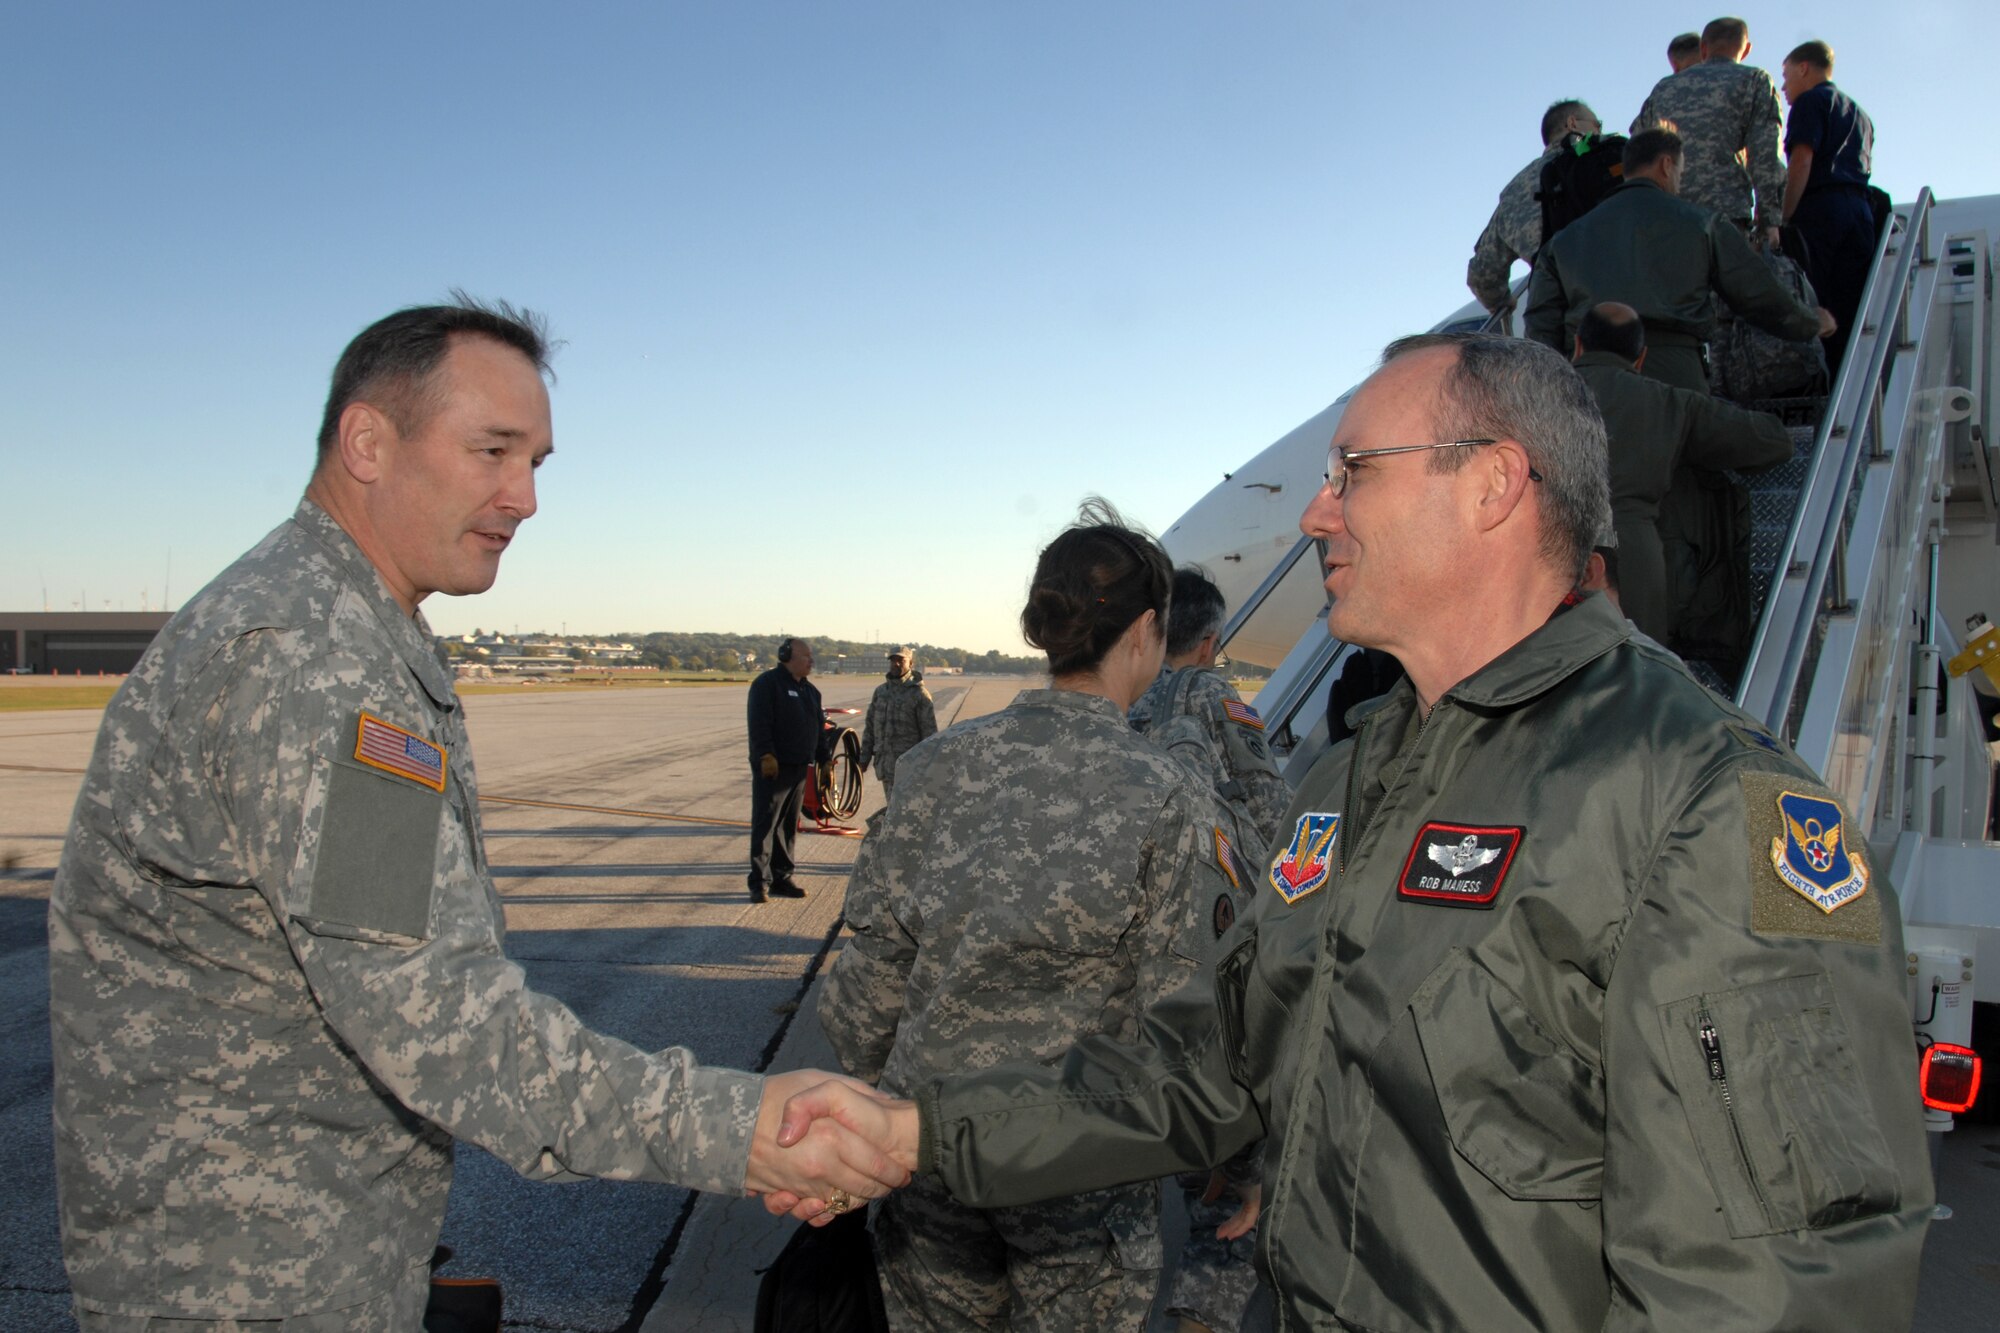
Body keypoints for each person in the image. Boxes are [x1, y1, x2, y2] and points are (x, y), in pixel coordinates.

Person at [776, 334, 1933, 1330]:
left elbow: (1776, 1279)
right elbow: (1201, 1064)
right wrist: (924, 1133)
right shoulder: (1352, 776)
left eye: (1351, 472)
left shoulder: (1696, 802)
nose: (1318, 509)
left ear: (1489, 485)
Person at [45, 298, 907, 1331]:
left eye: (537, 461)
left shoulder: (349, 625)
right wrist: (744, 1127)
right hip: (243, 1277)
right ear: (368, 441)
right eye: (493, 450)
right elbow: (444, 1026)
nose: (525, 496)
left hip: (303, 1245)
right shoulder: (306, 658)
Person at [818, 504, 1240, 1333]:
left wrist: (884, 1108)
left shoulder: (935, 769)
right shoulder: (1166, 794)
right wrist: (1243, 1162)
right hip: (1073, 1174)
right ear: (1147, 631)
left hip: (927, 1156)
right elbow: (1188, 1021)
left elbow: (865, 991)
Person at [1128, 564, 1282, 1333]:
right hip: (1210, 978)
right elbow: (1270, 820)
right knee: (1225, 1209)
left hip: (1131, 986)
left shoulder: (1122, 707)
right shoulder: (1219, 701)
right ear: (1212, 639)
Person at [1527, 126, 1834, 394]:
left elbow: (1541, 326)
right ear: (1666, 165)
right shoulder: (1703, 224)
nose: (1679, 182)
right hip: (1675, 374)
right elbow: (1757, 295)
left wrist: (1559, 393)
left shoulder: (1563, 242)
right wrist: (1808, 322)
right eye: (1680, 172)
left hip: (1590, 381)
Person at [1572, 301, 1792, 644]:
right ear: (1641, 358)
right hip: (1634, 561)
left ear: (1577, 346)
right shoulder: (1669, 402)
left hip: (1542, 551)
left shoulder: (1529, 396)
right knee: (1635, 676)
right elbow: (1771, 441)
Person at [1631, 17, 1787, 245]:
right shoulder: (1754, 80)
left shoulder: (1663, 88)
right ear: (1746, 50)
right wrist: (1769, 220)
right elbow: (1765, 154)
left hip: (1668, 219)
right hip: (1725, 217)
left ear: (1703, 47)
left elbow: (1637, 147)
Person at [1782, 40, 1878, 376]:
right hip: (1860, 212)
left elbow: (1802, 161)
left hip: (1821, 211)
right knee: (1850, 308)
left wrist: (1785, 217)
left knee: (1814, 305)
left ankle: (1821, 389)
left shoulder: (1811, 102)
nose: (1783, 86)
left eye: (1787, 75)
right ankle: (1851, 380)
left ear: (1804, 68)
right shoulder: (1861, 115)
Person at [1465, 99, 1604, 315]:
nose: (1599, 130)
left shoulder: (1515, 190)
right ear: (1573, 123)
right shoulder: (1611, 158)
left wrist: (1503, 302)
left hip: (1563, 316)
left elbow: (1482, 275)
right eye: (1597, 124)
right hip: (1631, 302)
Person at [748, 636, 830, 902]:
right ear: (788, 657)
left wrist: (824, 759)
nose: (812, 661)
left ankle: (782, 878)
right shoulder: (767, 685)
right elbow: (759, 724)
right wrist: (765, 755)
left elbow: (817, 729)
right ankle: (759, 882)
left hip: (798, 767)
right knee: (766, 824)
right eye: (807, 656)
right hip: (774, 768)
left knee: (787, 826)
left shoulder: (810, 691)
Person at [859, 647, 937, 803]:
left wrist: (928, 767)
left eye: (901, 660)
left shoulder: (919, 694)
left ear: (911, 663)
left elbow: (930, 734)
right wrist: (864, 758)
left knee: (901, 811)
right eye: (893, 660)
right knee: (892, 808)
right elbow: (870, 727)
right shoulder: (881, 692)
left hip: (908, 767)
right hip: (885, 765)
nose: (896, 664)